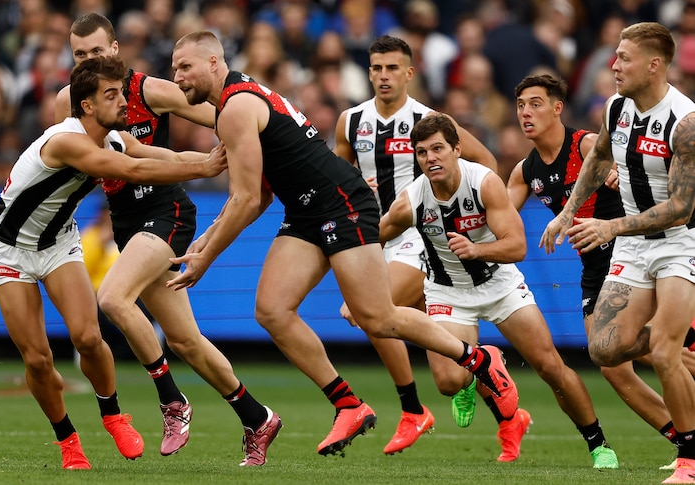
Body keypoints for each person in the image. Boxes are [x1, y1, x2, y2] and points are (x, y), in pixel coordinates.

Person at [168, 30, 519, 458]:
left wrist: (205, 258)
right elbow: (257, 195)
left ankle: (479, 361)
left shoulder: (237, 108)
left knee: (379, 318)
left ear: (213, 63)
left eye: (184, 66)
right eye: (173, 68)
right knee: (272, 311)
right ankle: (348, 404)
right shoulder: (239, 102)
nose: (177, 76)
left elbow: (243, 199)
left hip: (341, 205)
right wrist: (205, 238)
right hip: (307, 211)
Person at [55, 13, 281, 465]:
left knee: (114, 298)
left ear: (115, 50)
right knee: (184, 340)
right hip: (125, 222)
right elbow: (111, 156)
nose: (89, 61)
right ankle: (258, 418)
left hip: (166, 212)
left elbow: (223, 111)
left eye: (97, 52)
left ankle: (171, 400)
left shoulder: (147, 90)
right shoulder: (72, 100)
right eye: (80, 54)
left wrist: (267, 142)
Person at [0, 55, 227, 470]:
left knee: (89, 339)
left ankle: (113, 415)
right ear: (88, 106)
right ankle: (69, 443)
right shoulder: (66, 140)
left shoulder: (112, 137)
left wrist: (213, 157)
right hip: (10, 250)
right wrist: (204, 168)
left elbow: (152, 154)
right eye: (112, 95)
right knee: (39, 360)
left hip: (58, 243)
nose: (124, 102)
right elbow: (131, 168)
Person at [379, 113, 620, 467]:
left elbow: (517, 246)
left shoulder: (484, 183)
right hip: (448, 292)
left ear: (457, 150)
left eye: (438, 149)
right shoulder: (410, 201)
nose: (430, 158)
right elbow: (372, 237)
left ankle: (599, 445)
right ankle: (483, 362)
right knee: (448, 383)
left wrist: (476, 249)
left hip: (500, 284)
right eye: (422, 153)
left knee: (550, 366)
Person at [510, 73, 695, 470]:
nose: (526, 112)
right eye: (521, 105)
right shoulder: (525, 172)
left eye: (536, 103)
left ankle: (690, 447)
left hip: (635, 252)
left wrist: (618, 173)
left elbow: (643, 175)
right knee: (611, 362)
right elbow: (500, 220)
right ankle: (682, 436)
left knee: (663, 350)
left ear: (559, 108)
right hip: (596, 266)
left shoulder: (589, 144)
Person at [331, 34, 498, 455]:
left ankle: (412, 410)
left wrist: (474, 219)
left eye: (392, 68)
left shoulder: (429, 119)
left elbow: (486, 163)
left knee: (370, 312)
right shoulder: (351, 121)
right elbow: (335, 179)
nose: (383, 76)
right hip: (375, 238)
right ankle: (478, 368)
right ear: (368, 72)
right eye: (376, 68)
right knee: (444, 372)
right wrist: (351, 188)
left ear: (409, 72)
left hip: (421, 236)